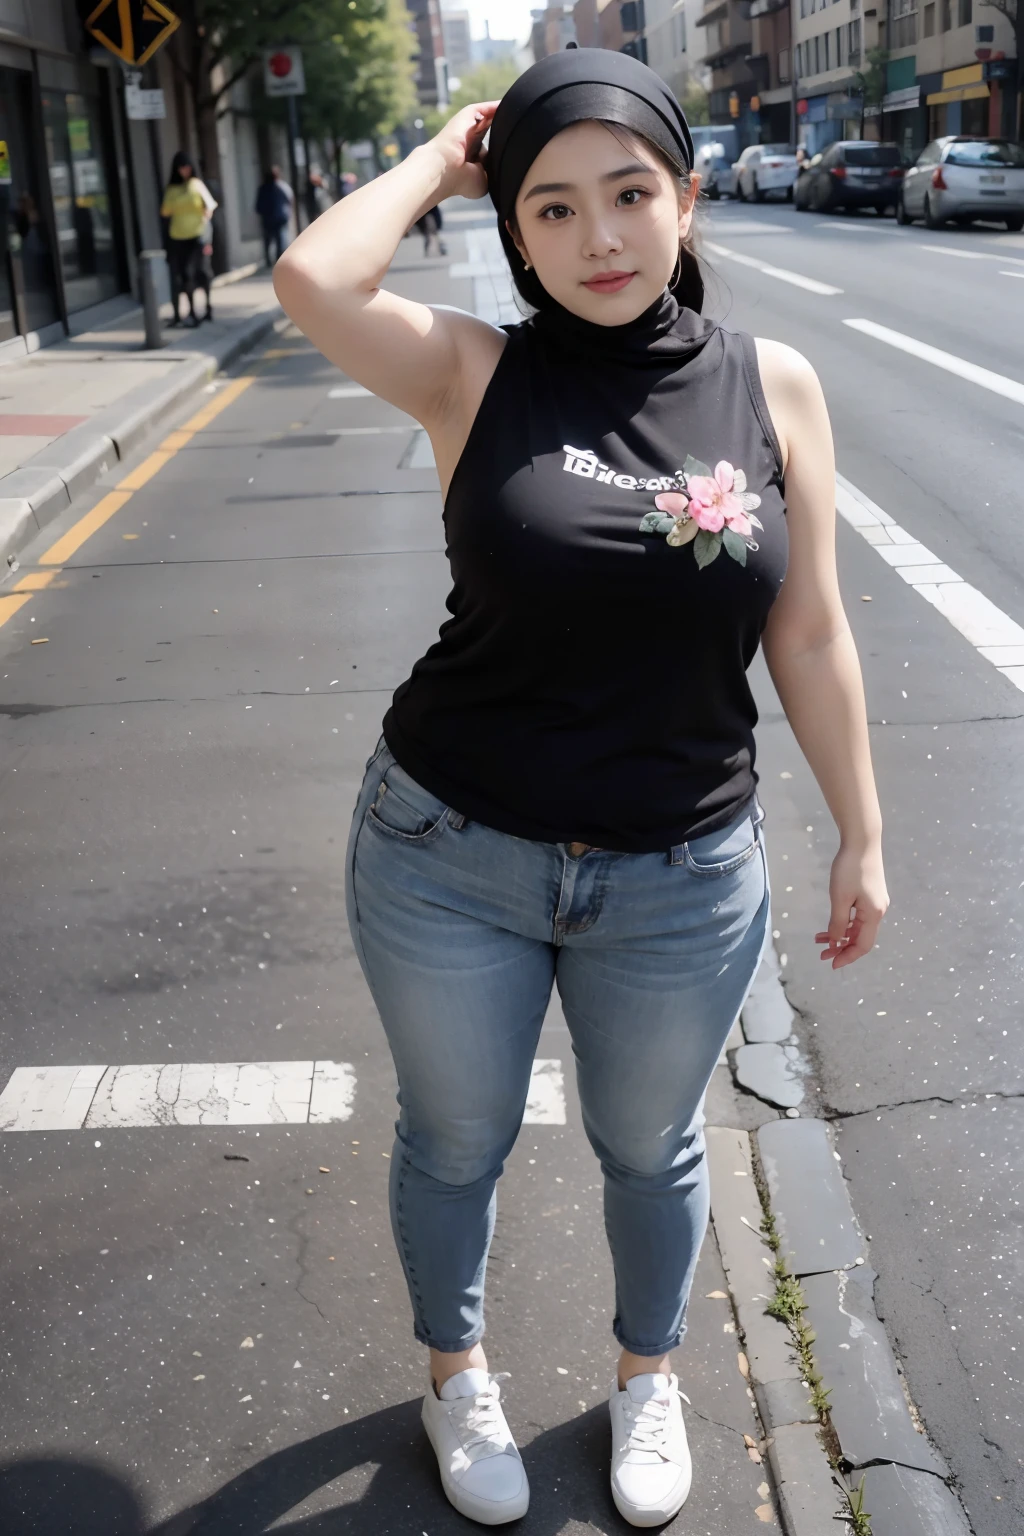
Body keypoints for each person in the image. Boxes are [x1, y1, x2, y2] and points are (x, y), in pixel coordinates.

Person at [273, 44, 889, 1530]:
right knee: (457, 1134)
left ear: (687, 198)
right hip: (445, 846)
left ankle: (646, 1374)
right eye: (550, 209)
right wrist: (440, 153)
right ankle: (456, 1373)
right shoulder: (474, 369)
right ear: (513, 229)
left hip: (679, 869)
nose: (598, 238)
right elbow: (309, 280)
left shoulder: (774, 384)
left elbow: (805, 627)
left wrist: (862, 833)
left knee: (651, 1146)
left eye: (628, 194)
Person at [160, 151, 217, 326]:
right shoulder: (172, 189)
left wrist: (206, 226)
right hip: (178, 236)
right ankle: (192, 311)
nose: (184, 170)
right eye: (181, 167)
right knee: (186, 274)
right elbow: (165, 211)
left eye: (186, 167)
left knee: (202, 272)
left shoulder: (197, 184)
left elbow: (210, 205)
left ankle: (207, 307)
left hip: (198, 235)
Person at [255, 166, 293, 266]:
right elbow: (290, 200)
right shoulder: (282, 186)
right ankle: (279, 260)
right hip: (280, 217)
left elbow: (258, 205)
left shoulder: (263, 188)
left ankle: (270, 260)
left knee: (269, 240)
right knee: (280, 239)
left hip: (269, 218)